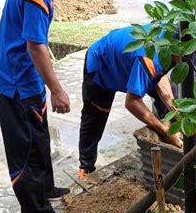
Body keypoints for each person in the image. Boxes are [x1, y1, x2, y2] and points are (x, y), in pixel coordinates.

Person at [0, 0, 99, 213]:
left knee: (39, 139)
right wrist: (57, 90)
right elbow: (36, 46)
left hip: (25, 77)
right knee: (25, 147)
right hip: (16, 80)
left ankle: (45, 190)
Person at [78, 24, 183, 178]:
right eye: (188, 57)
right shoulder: (149, 57)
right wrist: (165, 131)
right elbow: (132, 102)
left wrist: (175, 112)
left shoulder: (169, 39)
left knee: (166, 106)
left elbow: (160, 77)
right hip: (102, 65)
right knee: (95, 119)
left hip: (128, 62)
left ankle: (170, 152)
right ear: (178, 50)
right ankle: (85, 169)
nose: (189, 61)